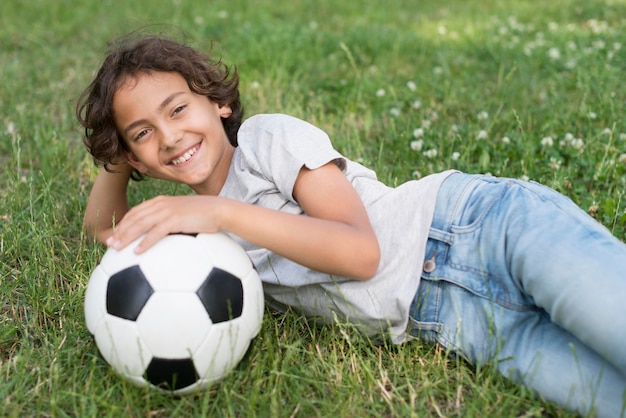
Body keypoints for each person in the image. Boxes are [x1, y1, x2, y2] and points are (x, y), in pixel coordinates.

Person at [76, 34, 626, 417]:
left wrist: (217, 210)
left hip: (485, 232)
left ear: (218, 103)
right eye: (144, 133)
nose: (170, 137)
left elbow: (361, 253)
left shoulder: (268, 140)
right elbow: (107, 231)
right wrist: (118, 156)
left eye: (177, 110)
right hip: (459, 322)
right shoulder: (200, 242)